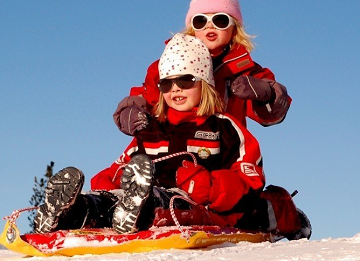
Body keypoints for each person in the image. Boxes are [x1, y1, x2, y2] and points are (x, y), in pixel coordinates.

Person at [33, 34, 310, 240]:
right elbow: (119, 167)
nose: (176, 88)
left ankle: (134, 208)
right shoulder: (152, 129)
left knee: (163, 203)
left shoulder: (224, 128)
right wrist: (106, 185)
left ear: (205, 84)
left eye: (186, 80)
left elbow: (250, 181)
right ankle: (72, 212)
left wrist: (210, 186)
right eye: (167, 83)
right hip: (138, 197)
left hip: (191, 203)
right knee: (109, 201)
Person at [114, 0, 291, 137]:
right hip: (177, 145)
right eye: (201, 21)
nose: (209, 26)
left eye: (220, 20)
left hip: (225, 149)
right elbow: (148, 95)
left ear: (234, 27)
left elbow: (271, 115)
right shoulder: (170, 64)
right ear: (192, 27)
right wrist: (132, 110)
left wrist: (266, 94)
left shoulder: (245, 71)